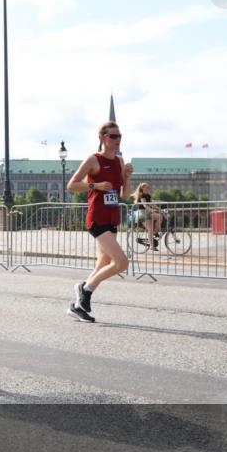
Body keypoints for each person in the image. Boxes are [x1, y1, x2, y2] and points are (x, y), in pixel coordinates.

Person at [67, 121, 133, 322]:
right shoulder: (93, 160)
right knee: (121, 262)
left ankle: (77, 305)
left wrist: (128, 177)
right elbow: (72, 185)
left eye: (119, 136)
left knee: (103, 262)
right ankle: (85, 290)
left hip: (112, 216)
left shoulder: (120, 162)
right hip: (97, 217)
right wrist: (94, 185)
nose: (117, 140)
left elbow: (126, 194)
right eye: (113, 136)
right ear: (102, 138)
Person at [131, 182, 163, 251]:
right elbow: (145, 205)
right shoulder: (142, 195)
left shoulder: (148, 195)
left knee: (160, 217)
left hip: (148, 212)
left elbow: (151, 204)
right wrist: (151, 210)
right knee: (150, 229)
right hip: (142, 213)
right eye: (146, 187)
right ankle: (151, 246)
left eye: (148, 187)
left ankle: (155, 232)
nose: (148, 188)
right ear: (142, 188)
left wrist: (158, 209)